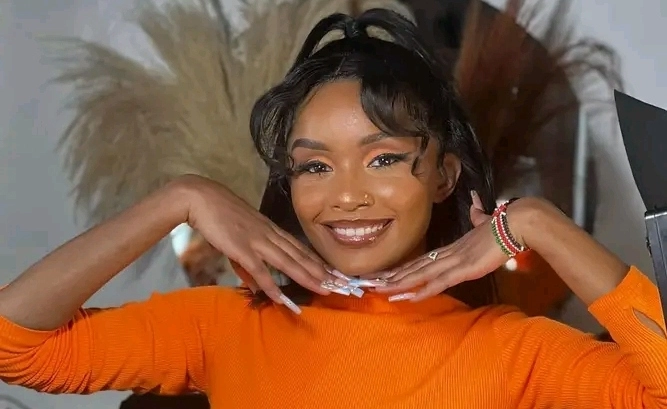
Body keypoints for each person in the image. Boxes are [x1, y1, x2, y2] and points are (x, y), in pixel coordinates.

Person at [1, 8, 665, 409]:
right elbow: (14, 346)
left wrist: (535, 222)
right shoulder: (225, 328)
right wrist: (181, 197)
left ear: (443, 176)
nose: (346, 195)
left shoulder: (512, 350)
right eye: (315, 165)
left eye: (382, 158)